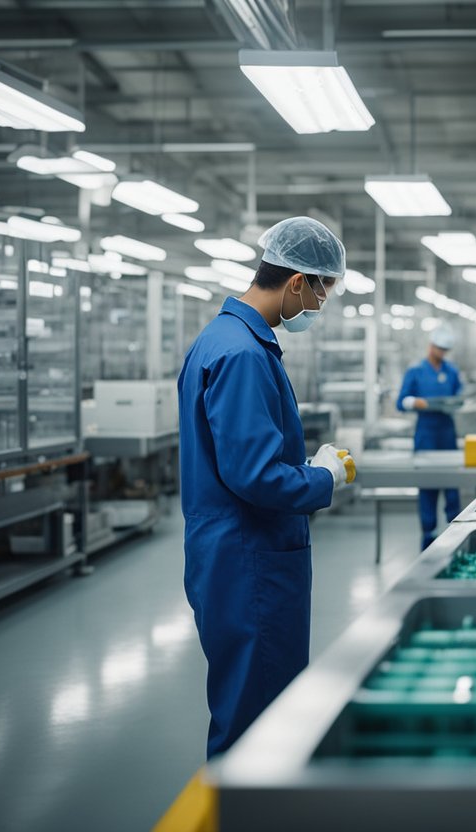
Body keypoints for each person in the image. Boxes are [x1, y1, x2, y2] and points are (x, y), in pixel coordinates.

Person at [178, 216, 357, 758]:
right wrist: (325, 476)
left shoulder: (225, 340)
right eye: (320, 294)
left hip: (235, 551)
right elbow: (253, 475)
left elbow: (240, 457)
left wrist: (300, 464)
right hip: (249, 560)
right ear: (297, 282)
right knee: (258, 720)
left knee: (252, 703)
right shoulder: (243, 354)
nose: (318, 308)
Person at [396, 324, 463, 549]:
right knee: (428, 486)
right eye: (439, 348)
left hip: (447, 433)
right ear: (431, 345)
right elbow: (401, 402)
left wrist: (455, 403)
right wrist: (417, 402)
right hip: (426, 434)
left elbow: (459, 396)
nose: (441, 353)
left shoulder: (452, 371)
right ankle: (428, 534)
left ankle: (456, 534)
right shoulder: (416, 371)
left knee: (452, 485)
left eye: (446, 350)